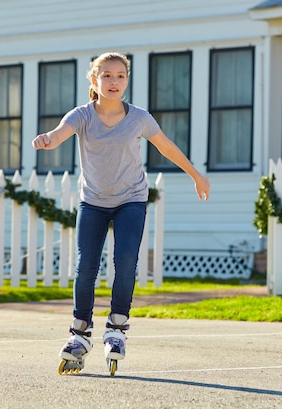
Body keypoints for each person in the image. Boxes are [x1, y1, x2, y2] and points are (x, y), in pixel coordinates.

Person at [32, 52, 210, 375]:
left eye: (120, 76)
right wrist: (49, 140)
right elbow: (61, 132)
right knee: (86, 265)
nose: (114, 82)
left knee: (125, 260)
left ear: (127, 80)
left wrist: (195, 174)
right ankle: (80, 332)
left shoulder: (139, 118)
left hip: (131, 199)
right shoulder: (82, 115)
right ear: (94, 80)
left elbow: (166, 147)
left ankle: (116, 327)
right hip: (93, 201)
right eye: (107, 76)